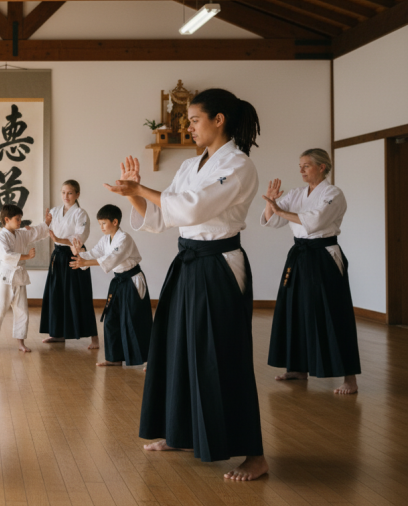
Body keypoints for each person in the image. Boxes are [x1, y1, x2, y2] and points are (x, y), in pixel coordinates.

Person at [106, 88, 267, 481]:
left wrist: (143, 190)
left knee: (223, 352)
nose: (189, 126)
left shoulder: (239, 165)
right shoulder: (191, 166)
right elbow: (163, 219)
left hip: (219, 264)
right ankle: (178, 433)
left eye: (194, 120)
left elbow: (193, 207)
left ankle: (254, 455)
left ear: (219, 120)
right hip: (187, 263)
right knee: (174, 347)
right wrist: (134, 195)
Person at [262, 148, 360, 395]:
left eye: (306, 165)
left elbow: (314, 221)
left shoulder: (333, 194)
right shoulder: (297, 193)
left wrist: (279, 209)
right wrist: (270, 203)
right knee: (294, 309)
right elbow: (272, 221)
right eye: (300, 165)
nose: (301, 170)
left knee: (333, 312)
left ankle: (350, 378)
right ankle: (297, 368)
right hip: (299, 256)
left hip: (323, 255)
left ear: (322, 167)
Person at [69, 204, 151, 368]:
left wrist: (85, 262)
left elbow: (112, 258)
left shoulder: (124, 238)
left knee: (136, 319)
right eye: (99, 224)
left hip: (132, 280)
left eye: (103, 223)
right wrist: (79, 254)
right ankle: (114, 358)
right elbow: (94, 253)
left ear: (115, 222)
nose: (101, 227)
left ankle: (150, 360)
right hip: (118, 282)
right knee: (111, 319)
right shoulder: (106, 239)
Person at [0, 204, 50, 353]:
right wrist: (26, 256)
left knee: (22, 311)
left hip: (19, 277)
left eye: (20, 219)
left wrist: (47, 223)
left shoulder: (20, 234)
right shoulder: (1, 236)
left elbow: (35, 233)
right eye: (17, 219)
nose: (20, 222)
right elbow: (5, 255)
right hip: (6, 277)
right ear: (7, 219)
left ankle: (21, 343)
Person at [41, 180, 100, 348]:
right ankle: (58, 334)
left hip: (75, 254)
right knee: (56, 293)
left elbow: (79, 238)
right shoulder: (54, 211)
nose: (66, 196)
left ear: (77, 195)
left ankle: (94, 338)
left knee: (80, 294)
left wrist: (60, 239)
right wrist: (41, 225)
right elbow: (46, 230)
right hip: (58, 255)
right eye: (63, 192)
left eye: (70, 193)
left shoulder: (81, 214)